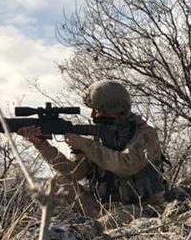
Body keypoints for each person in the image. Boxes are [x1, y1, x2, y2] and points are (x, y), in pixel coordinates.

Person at [18, 80, 166, 228]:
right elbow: (73, 172)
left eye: (97, 110)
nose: (92, 114)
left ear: (115, 110)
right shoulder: (99, 137)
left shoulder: (145, 134)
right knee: (60, 181)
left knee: (105, 224)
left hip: (144, 209)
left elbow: (126, 164)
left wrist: (84, 144)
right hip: (103, 208)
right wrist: (41, 144)